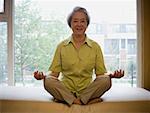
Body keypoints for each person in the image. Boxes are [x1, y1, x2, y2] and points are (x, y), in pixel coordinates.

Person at [34, 6, 124, 106]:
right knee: (48, 81)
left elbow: (100, 75)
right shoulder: (61, 46)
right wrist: (42, 77)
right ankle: (82, 102)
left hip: (87, 91)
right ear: (70, 24)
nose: (79, 24)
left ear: (87, 24)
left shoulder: (95, 47)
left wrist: (112, 76)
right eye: (75, 21)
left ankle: (72, 100)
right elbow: (54, 75)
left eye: (82, 21)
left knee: (106, 81)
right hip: (66, 90)